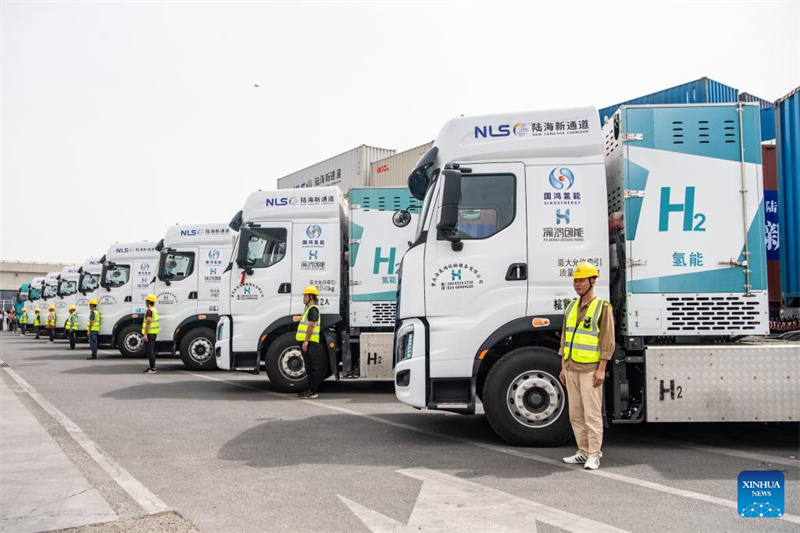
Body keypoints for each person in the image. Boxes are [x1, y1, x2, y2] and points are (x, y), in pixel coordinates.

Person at [559, 261, 615, 471]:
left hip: (590, 369)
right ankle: (582, 451)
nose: (577, 284)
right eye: (575, 280)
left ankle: (594, 454)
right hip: (571, 367)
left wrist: (601, 369)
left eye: (581, 280)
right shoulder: (571, 307)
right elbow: (565, 339)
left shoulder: (602, 307)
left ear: (592, 281)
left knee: (592, 414)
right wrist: (563, 366)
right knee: (575, 414)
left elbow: (607, 340)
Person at [296, 285, 324, 399]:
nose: (303, 298)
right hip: (309, 342)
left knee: (312, 367)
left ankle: (312, 391)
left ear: (310, 297)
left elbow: (311, 327)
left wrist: (306, 341)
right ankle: (309, 389)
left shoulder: (313, 309)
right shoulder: (309, 309)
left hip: (310, 342)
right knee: (309, 366)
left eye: (305, 296)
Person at [142, 294, 159, 373]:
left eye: (146, 301)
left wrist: (145, 334)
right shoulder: (154, 310)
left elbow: (148, 321)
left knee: (150, 351)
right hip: (153, 333)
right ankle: (151, 367)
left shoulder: (149, 311)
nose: (145, 303)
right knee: (151, 350)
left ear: (148, 302)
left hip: (149, 333)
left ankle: (152, 368)